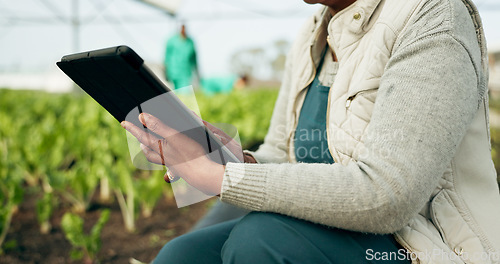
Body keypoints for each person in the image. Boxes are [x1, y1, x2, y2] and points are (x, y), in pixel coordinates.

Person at [122, 0, 500, 262]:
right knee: (182, 255)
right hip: (326, 227)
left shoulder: (434, 17)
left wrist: (223, 177)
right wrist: (236, 158)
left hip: (414, 245)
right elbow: (281, 152)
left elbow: (390, 196)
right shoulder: (313, 33)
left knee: (261, 242)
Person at [164, 24, 199, 90]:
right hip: (173, 73)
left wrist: (197, 74)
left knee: (184, 93)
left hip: (185, 74)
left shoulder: (190, 42)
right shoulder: (171, 41)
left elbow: (194, 60)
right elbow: (167, 58)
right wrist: (165, 71)